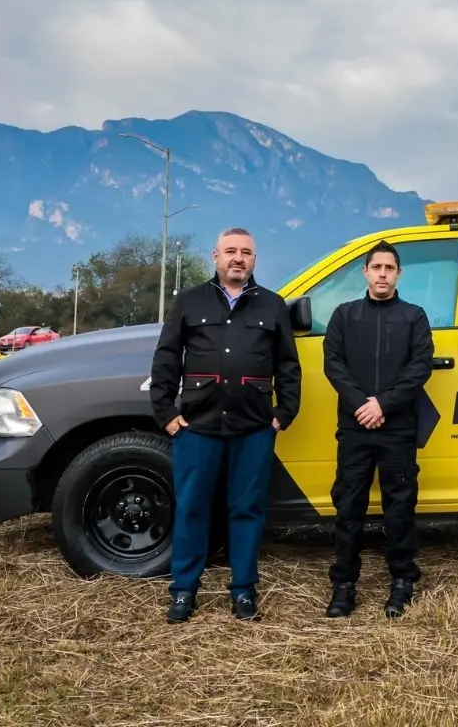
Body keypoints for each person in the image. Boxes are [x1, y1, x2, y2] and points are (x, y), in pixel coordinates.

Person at [149, 226, 302, 624]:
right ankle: (183, 591)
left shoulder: (272, 305)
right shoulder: (189, 301)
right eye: (230, 251)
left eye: (246, 252)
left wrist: (283, 414)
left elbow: (288, 365)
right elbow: (166, 359)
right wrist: (166, 414)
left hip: (253, 429)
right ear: (215, 256)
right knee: (193, 509)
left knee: (247, 510)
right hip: (196, 428)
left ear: (255, 260)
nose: (238, 258)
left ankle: (244, 591)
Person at [321, 240, 434, 619]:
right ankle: (344, 585)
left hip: (397, 427)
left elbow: (420, 367)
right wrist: (361, 405)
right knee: (348, 506)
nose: (383, 273)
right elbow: (333, 365)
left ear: (399, 274)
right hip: (354, 427)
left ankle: (402, 582)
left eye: (390, 268)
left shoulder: (414, 316)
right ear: (365, 272)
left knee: (399, 508)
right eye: (376, 267)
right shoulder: (344, 315)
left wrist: (383, 403)